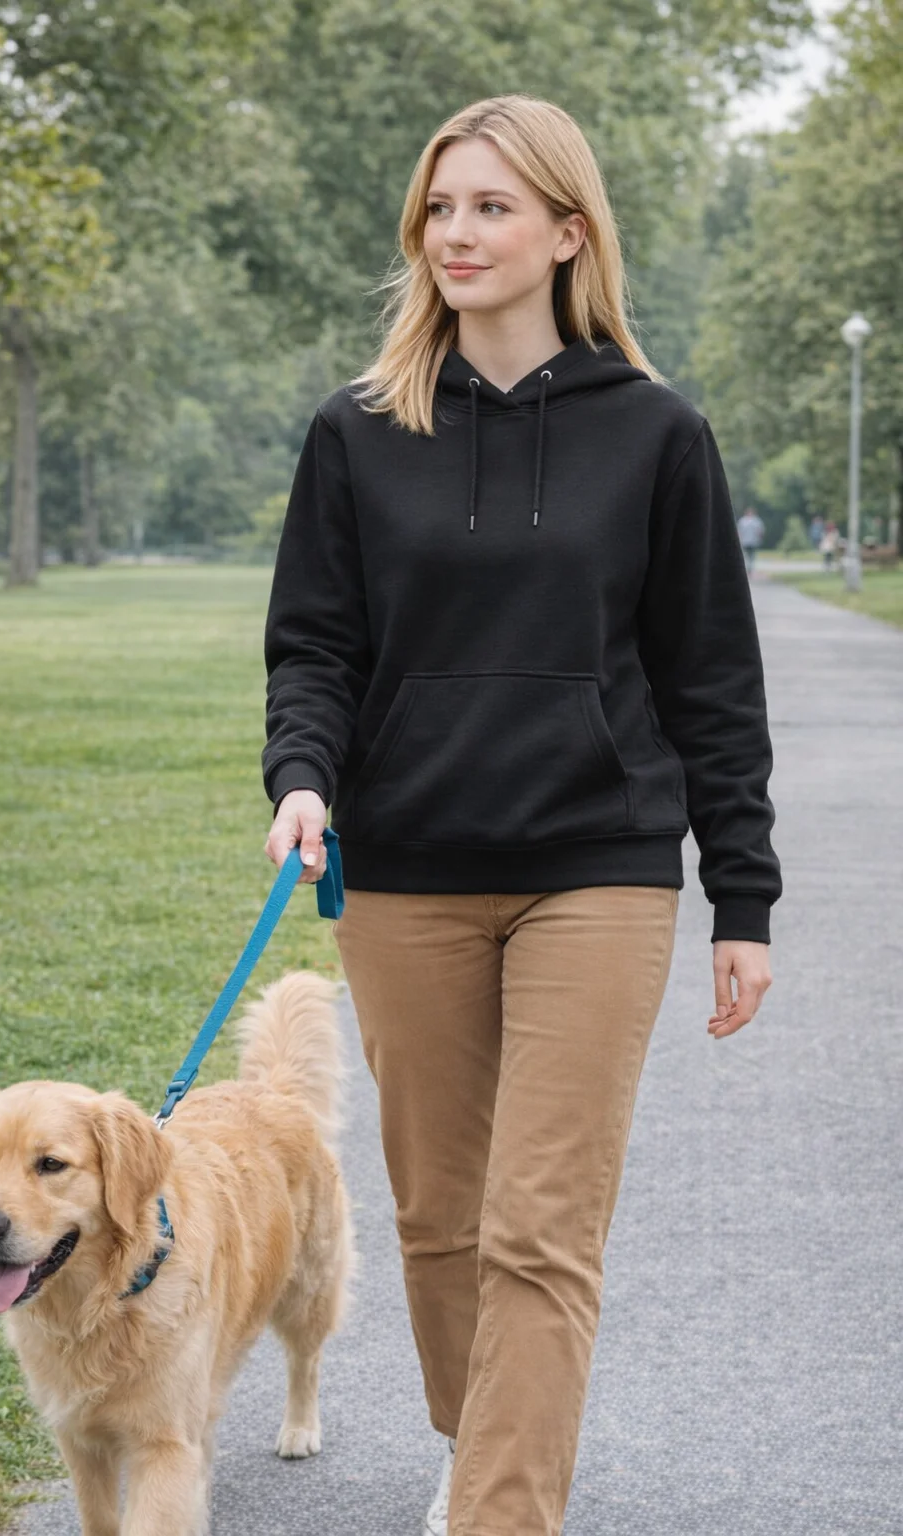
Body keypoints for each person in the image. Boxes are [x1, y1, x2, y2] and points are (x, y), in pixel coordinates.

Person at [261, 94, 781, 1536]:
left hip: (596, 871)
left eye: (492, 206)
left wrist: (744, 895)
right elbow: (313, 645)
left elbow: (711, 680)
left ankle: (500, 1512)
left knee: (542, 1229)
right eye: (440, 208)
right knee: (440, 1223)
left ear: (569, 231)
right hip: (407, 869)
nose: (458, 234)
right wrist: (302, 777)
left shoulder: (659, 434)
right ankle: (482, 1442)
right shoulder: (357, 433)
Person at [736, 504, 765, 573]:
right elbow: (739, 531)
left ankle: (749, 568)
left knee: (751, 556)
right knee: (747, 555)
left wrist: (760, 538)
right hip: (746, 541)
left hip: (752, 541)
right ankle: (748, 568)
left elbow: (760, 531)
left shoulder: (755, 520)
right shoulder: (744, 521)